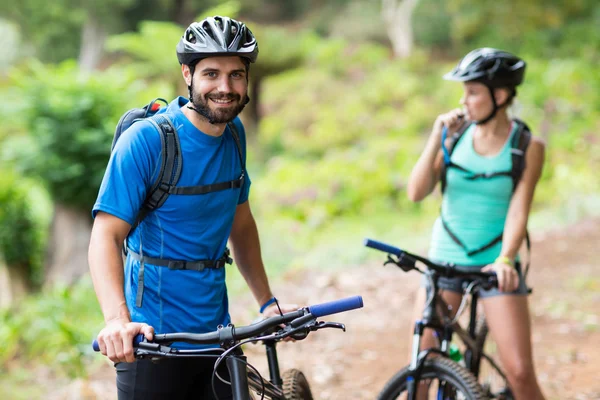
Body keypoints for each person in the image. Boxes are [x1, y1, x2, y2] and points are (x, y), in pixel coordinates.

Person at [89, 16, 294, 399]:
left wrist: (267, 303)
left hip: (219, 336)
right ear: (187, 73)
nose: (225, 87)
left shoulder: (234, 134)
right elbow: (105, 234)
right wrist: (117, 321)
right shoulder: (147, 142)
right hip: (154, 342)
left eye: (236, 75)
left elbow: (241, 223)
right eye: (212, 73)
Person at [406, 48, 546, 400]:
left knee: (519, 371)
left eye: (472, 92)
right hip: (444, 261)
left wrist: (506, 258)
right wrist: (435, 136)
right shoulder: (453, 135)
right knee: (421, 370)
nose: (463, 100)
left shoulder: (527, 146)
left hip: (494, 264)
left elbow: (519, 209)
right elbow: (416, 192)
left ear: (499, 96)